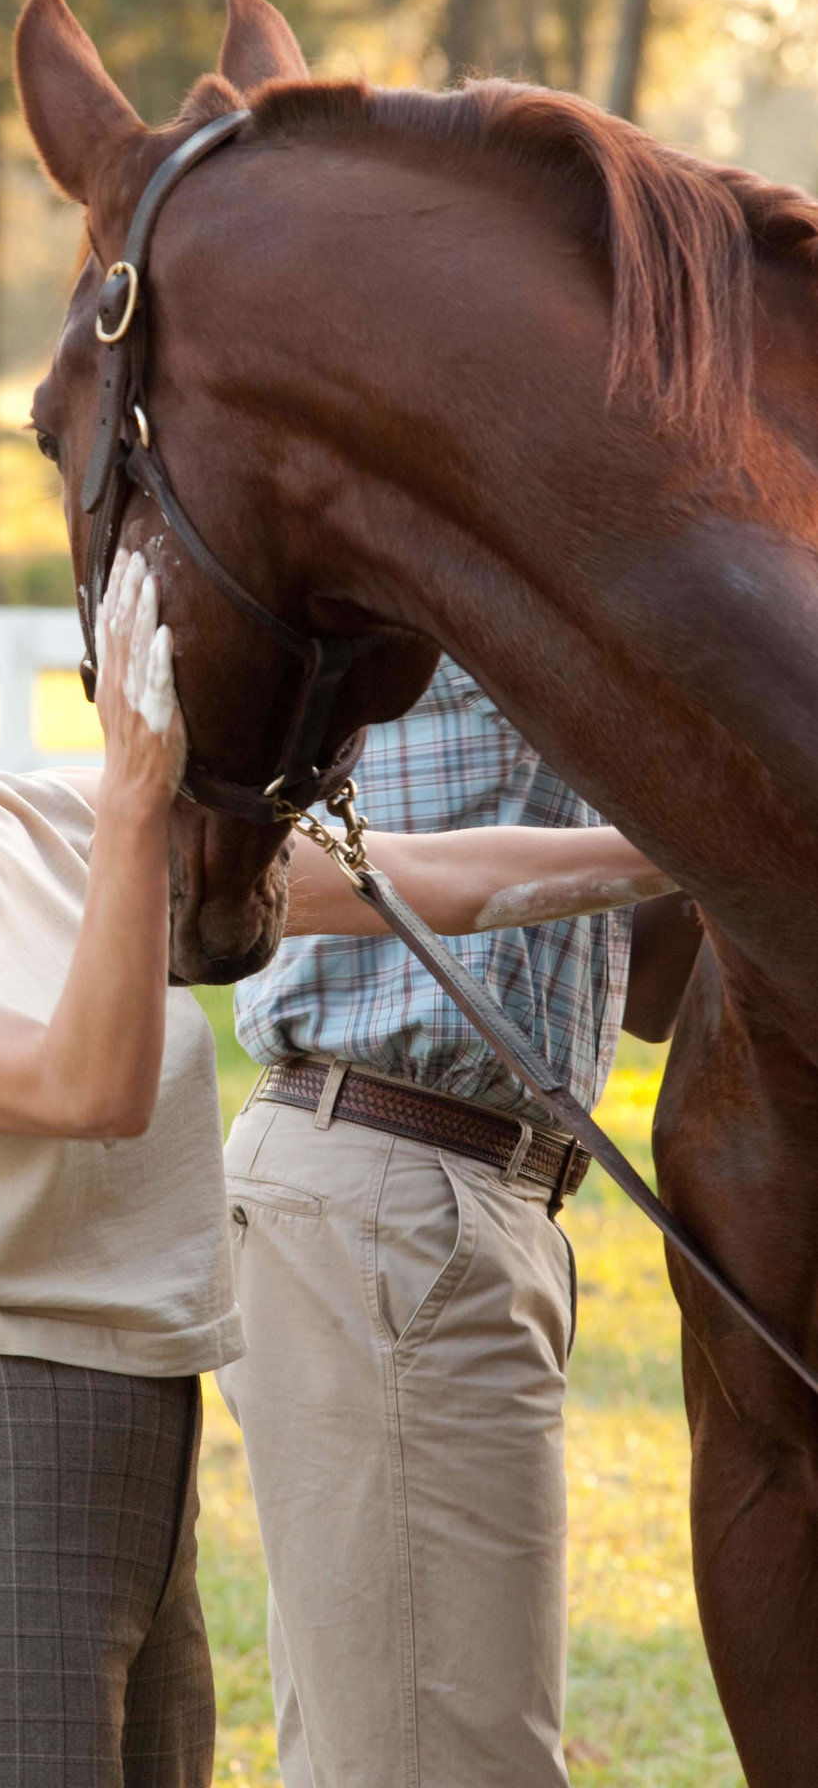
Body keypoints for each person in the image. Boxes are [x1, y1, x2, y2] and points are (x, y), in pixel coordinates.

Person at [0, 468, 676, 1788]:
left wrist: (701, 847)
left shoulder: (48, 822)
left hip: (149, 1454)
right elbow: (84, 1090)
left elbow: (426, 882)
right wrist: (131, 795)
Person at [220, 653, 702, 1788]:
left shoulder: (588, 604)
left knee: (389, 1742)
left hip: (462, 1189)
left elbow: (647, 994)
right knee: (443, 1760)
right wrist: (708, 835)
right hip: (397, 1177)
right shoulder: (429, 572)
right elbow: (254, 854)